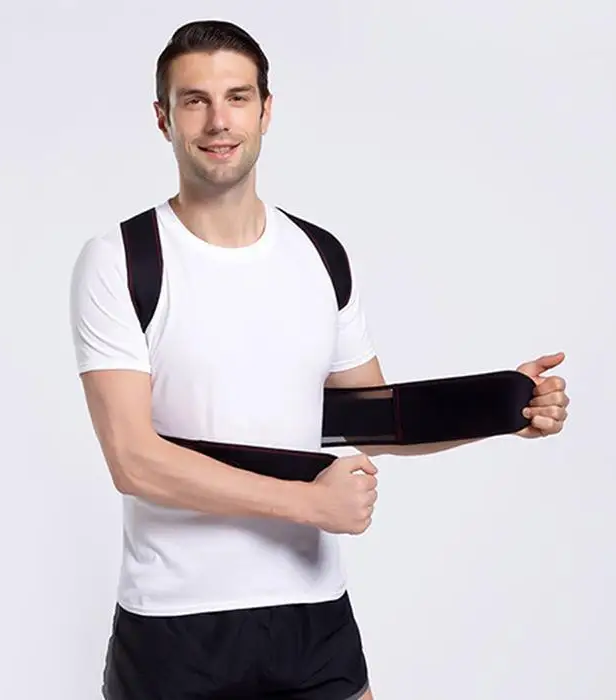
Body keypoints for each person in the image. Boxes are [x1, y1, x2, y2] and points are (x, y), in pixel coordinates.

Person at [69, 19, 570, 700]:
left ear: (266, 110)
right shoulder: (122, 260)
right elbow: (133, 459)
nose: (219, 121)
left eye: (238, 97)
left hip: (313, 612)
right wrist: (308, 503)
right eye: (195, 101)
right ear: (164, 119)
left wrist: (504, 406)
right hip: (175, 623)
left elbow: (374, 421)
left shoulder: (319, 255)